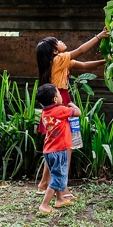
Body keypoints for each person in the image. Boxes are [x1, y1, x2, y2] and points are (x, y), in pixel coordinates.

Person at [36, 30, 108, 194]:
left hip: (57, 102)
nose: (61, 41)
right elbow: (81, 51)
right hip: (62, 101)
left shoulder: (57, 61)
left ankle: (43, 183)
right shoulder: (60, 59)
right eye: (58, 41)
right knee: (67, 145)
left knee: (55, 145)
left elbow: (83, 65)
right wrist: (99, 36)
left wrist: (106, 61)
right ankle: (64, 188)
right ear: (55, 50)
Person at [36, 83, 80, 214]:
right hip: (59, 151)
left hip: (48, 151)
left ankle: (60, 199)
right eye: (59, 94)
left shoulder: (45, 112)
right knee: (57, 178)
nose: (61, 96)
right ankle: (44, 204)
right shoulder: (60, 110)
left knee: (56, 174)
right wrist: (72, 105)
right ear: (55, 99)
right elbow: (78, 113)